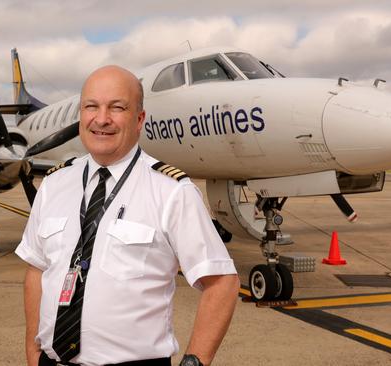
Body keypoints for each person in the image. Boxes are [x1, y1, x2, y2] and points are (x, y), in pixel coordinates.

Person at [16, 65, 240, 366]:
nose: (102, 119)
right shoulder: (55, 184)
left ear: (139, 119)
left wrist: (194, 363)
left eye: (117, 107)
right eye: (91, 107)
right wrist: (33, 354)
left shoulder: (172, 191)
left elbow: (222, 283)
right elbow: (37, 270)